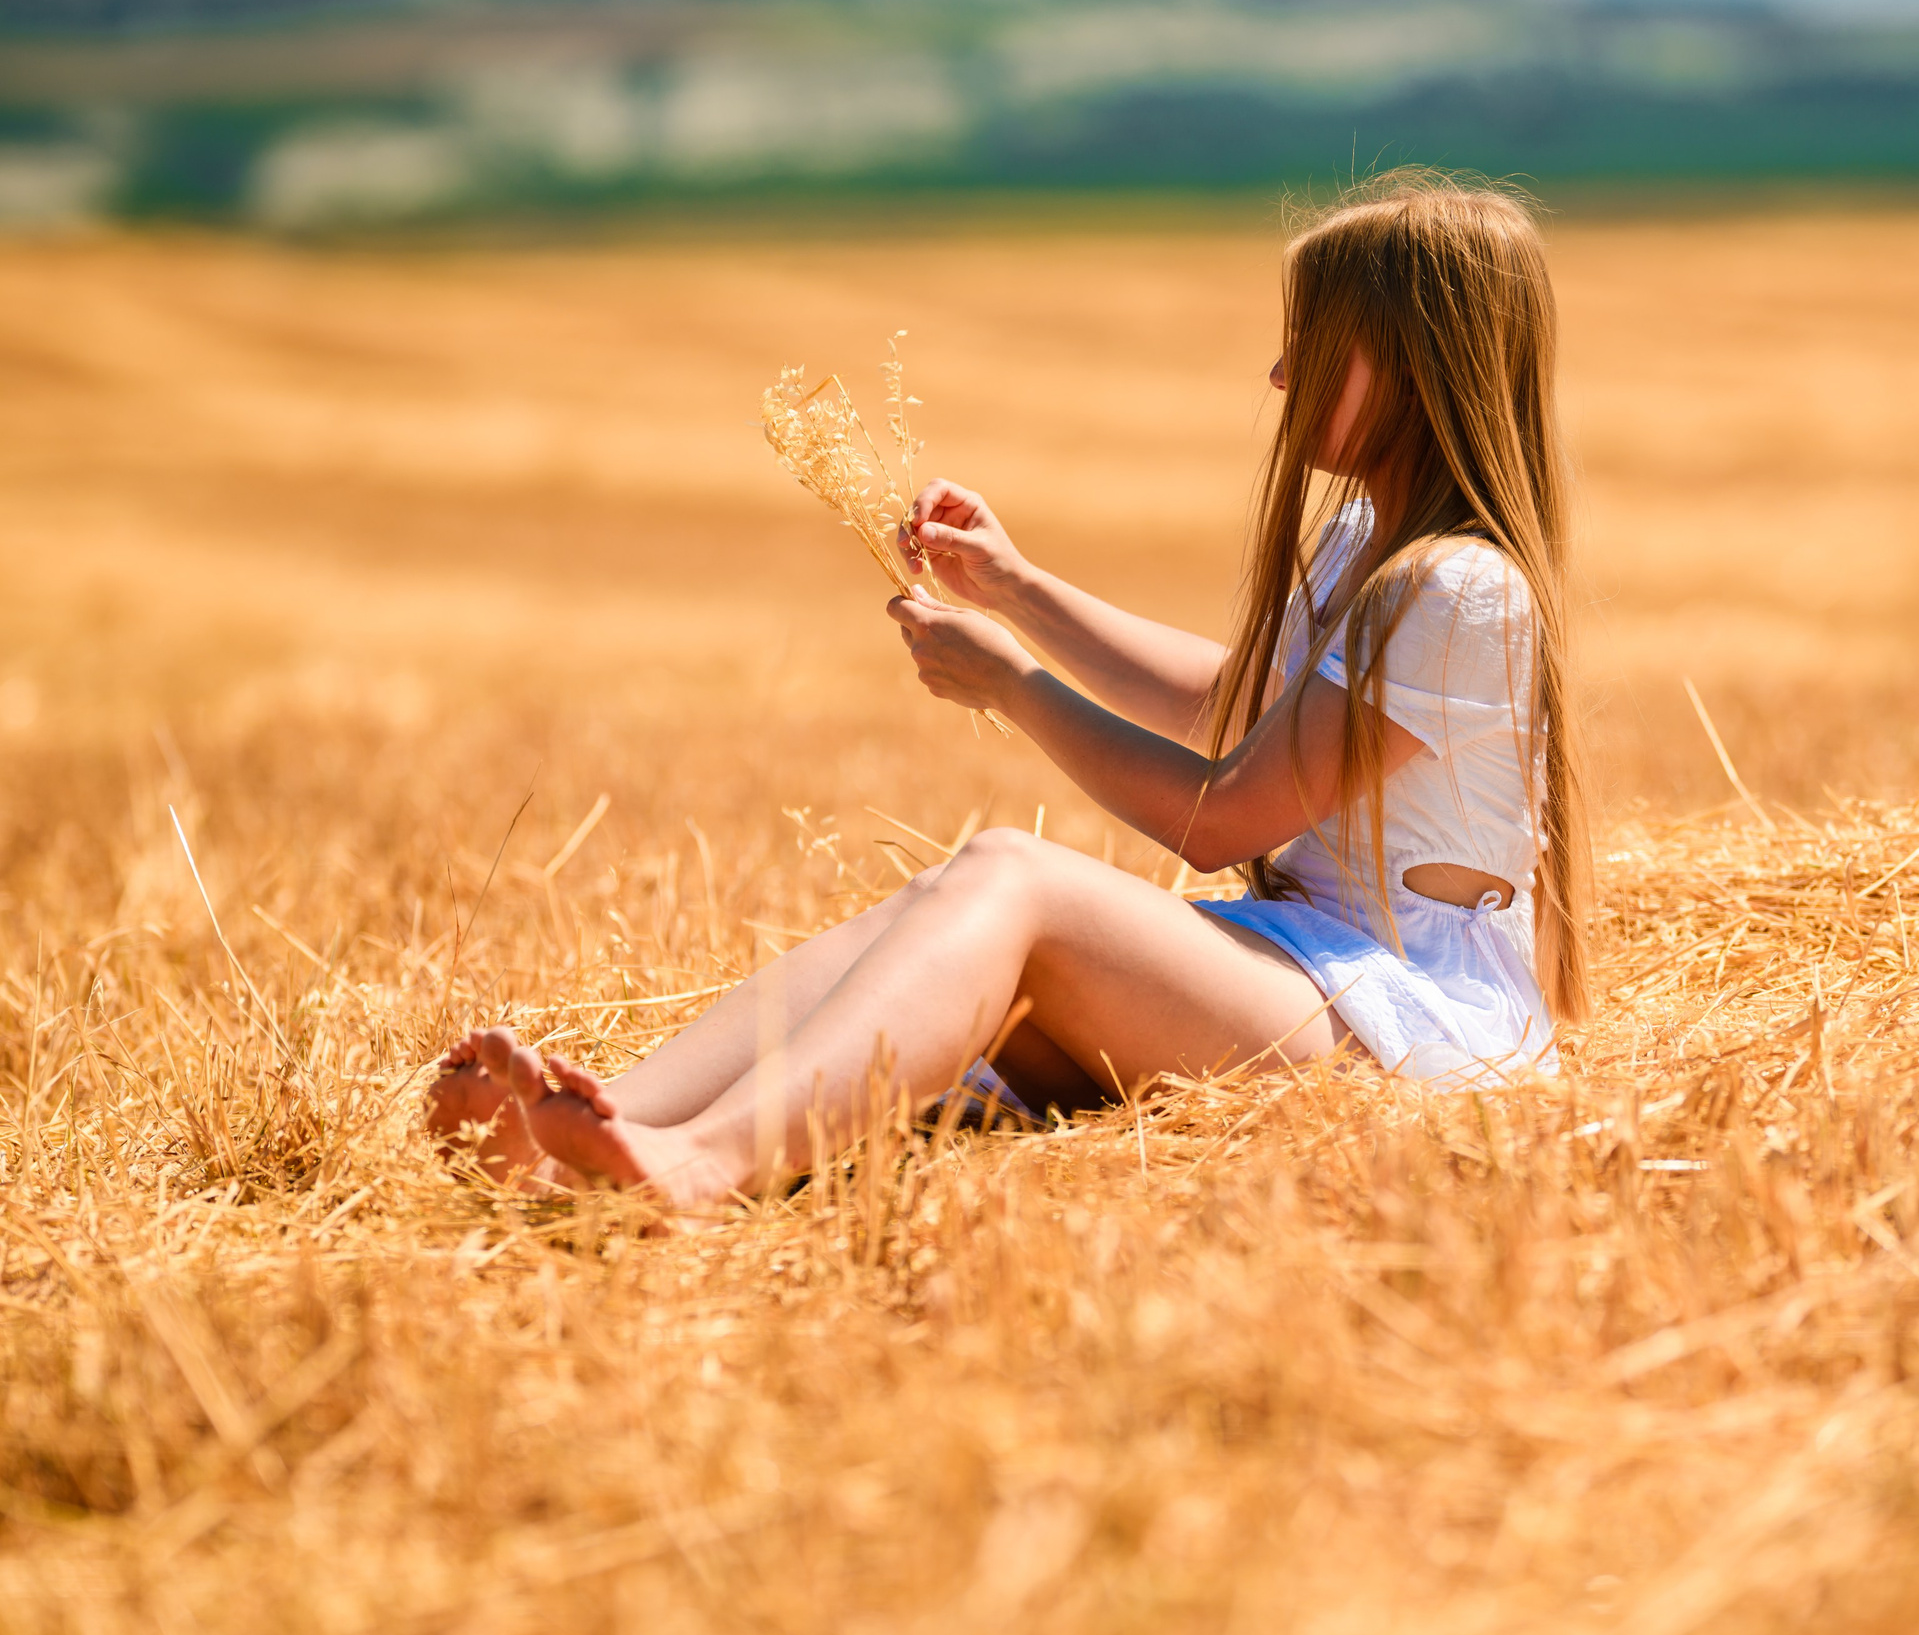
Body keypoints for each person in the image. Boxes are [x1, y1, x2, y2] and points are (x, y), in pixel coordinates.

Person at [425, 169, 1592, 1209]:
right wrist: (1018, 589)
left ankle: (705, 1165)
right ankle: (604, 1121)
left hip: (1415, 1035)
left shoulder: (1457, 589)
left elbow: (1227, 817)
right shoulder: (1364, 548)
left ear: (1413, 364)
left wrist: (1014, 688)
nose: (1277, 374)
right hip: (1313, 973)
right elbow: (1240, 706)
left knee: (1011, 877)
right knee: (932, 910)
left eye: (1312, 342)